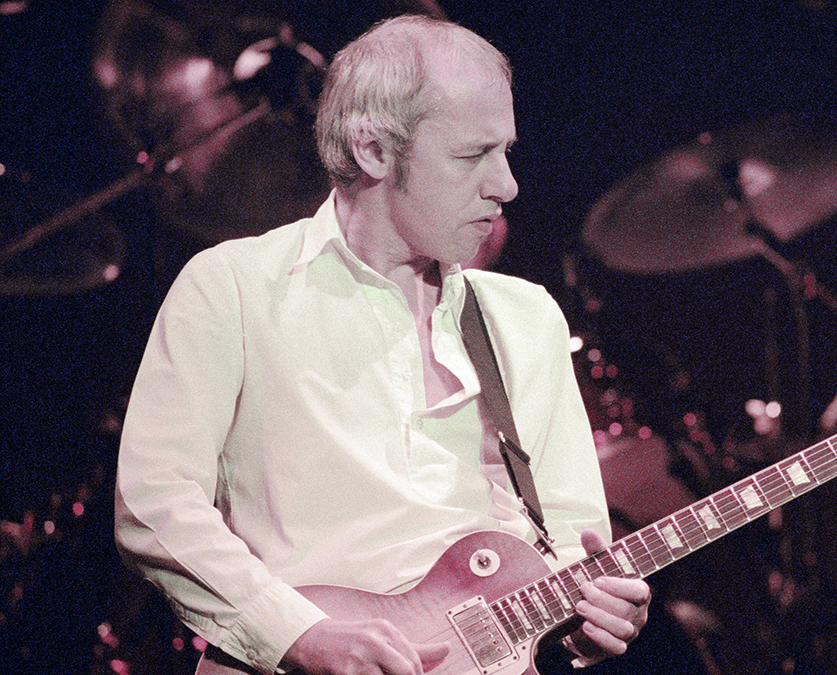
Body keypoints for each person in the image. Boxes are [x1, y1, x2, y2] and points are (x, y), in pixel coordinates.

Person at [114, 14, 650, 675]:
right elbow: (154, 501)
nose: (506, 185)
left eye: (506, 151)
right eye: (472, 154)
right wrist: (300, 634)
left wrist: (591, 620)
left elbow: (570, 546)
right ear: (372, 151)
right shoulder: (234, 288)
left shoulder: (525, 317)